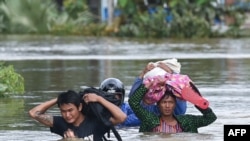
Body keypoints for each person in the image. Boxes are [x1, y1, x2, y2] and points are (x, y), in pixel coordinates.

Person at [29, 90, 127, 140]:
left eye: (70, 110)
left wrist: (98, 99)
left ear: (79, 107)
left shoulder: (96, 122)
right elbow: (33, 113)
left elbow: (122, 117)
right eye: (63, 111)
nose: (67, 115)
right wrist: (59, 99)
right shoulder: (60, 123)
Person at [128, 83, 217, 133]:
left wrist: (196, 100)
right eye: (164, 102)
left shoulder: (188, 121)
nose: (167, 106)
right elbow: (133, 102)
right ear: (158, 105)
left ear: (175, 105)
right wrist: (147, 85)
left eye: (170, 102)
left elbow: (211, 117)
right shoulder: (149, 119)